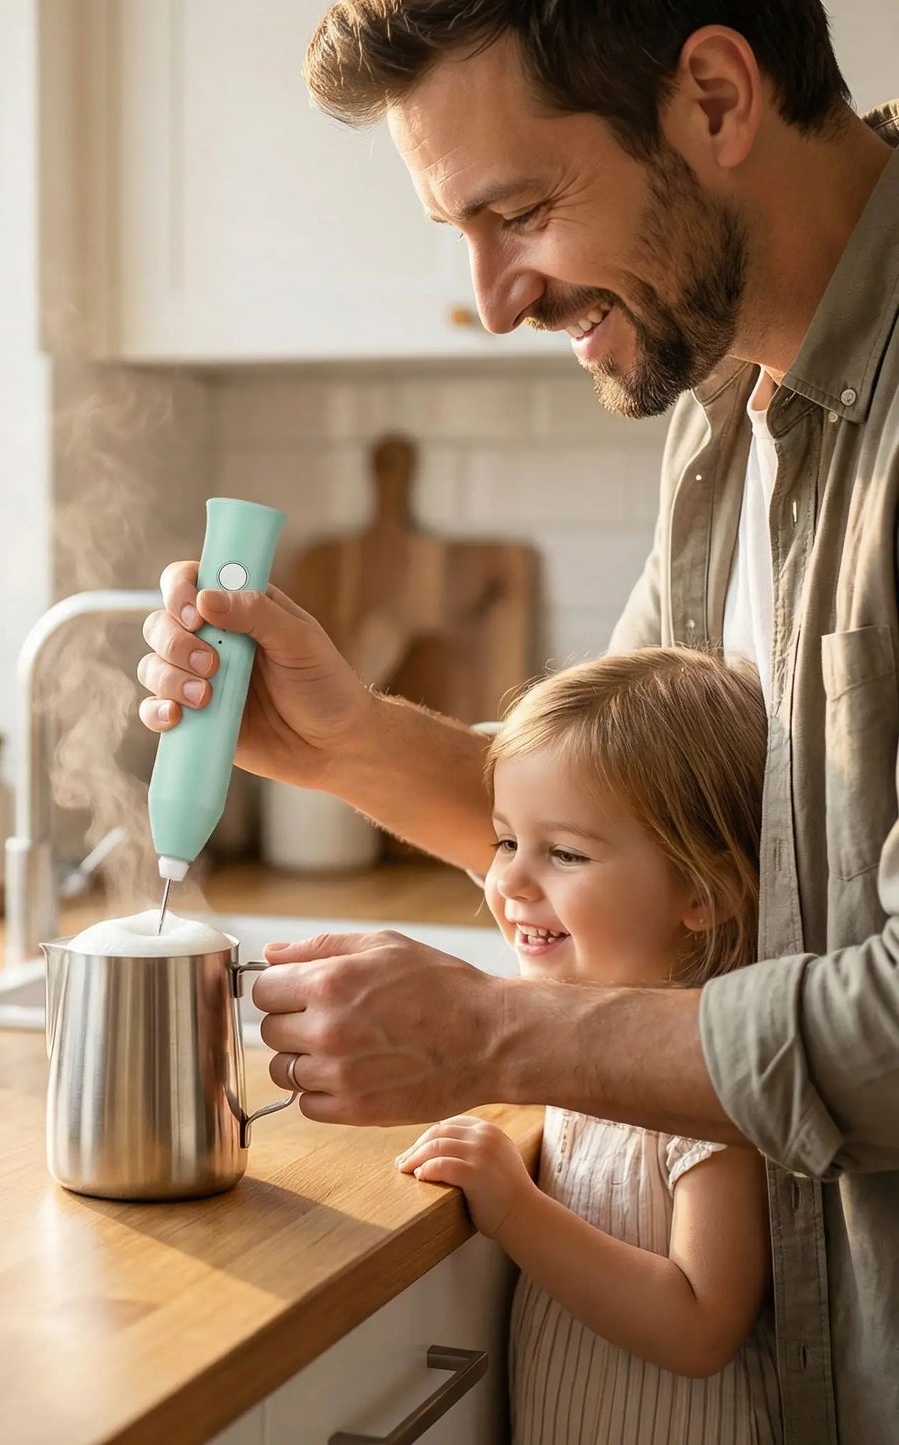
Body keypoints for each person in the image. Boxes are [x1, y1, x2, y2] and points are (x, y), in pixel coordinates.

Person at [135, 4, 899, 1441]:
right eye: (459, 231)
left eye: (521, 212)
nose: (492, 297)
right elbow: (615, 811)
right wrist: (340, 737)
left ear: (718, 98)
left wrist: (500, 1036)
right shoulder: (723, 397)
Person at [397, 649, 776, 1443]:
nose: (507, 881)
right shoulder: (570, 1034)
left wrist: (513, 1206)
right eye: (504, 841)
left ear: (700, 893)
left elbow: (699, 1326)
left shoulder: (703, 1083)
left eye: (562, 852)